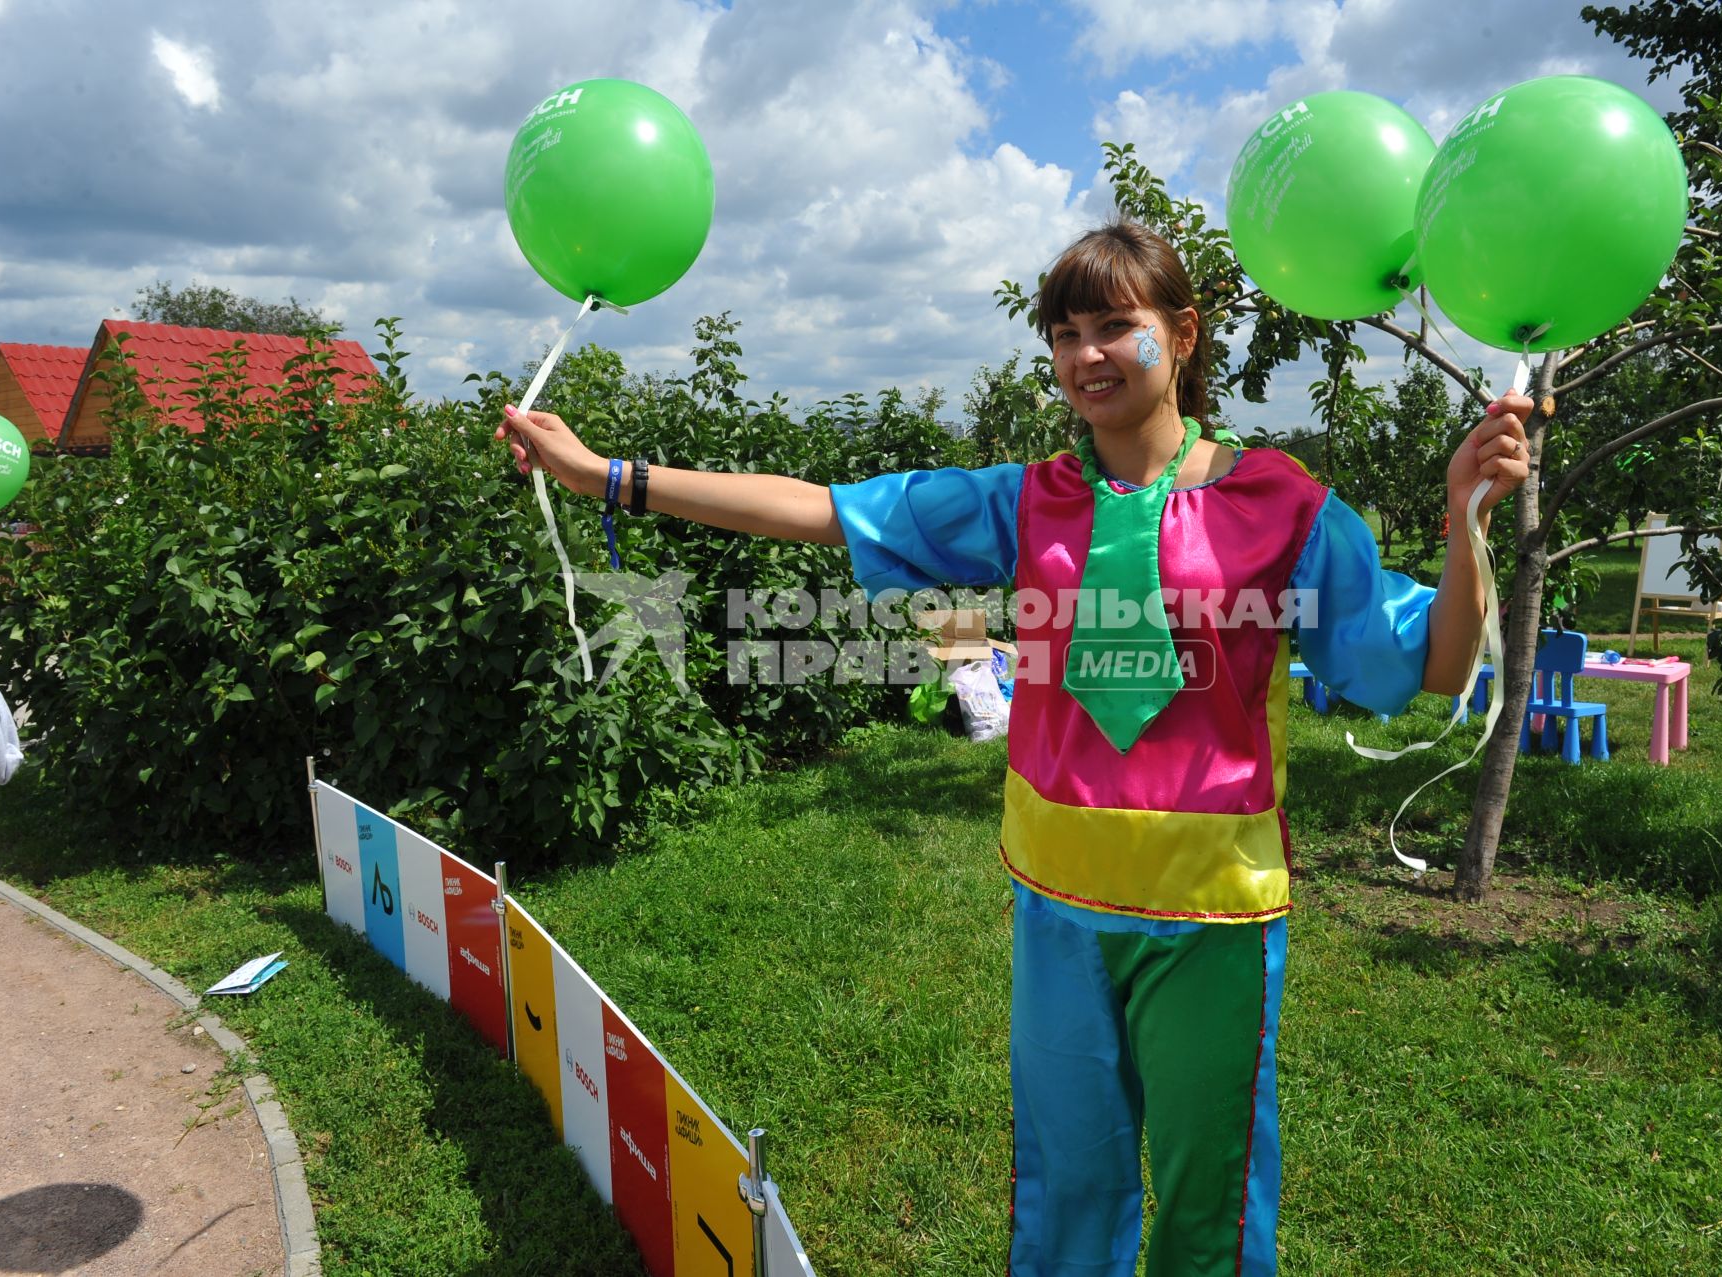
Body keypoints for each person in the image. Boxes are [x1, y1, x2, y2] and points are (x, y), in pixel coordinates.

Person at [496, 220, 1531, 1276]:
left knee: (1210, 1195)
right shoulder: (1028, 500)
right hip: (1059, 904)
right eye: (1063, 331)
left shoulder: (1281, 507)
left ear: (1182, 334)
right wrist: (606, 477)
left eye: (1114, 326)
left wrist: (1464, 515)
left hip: (1211, 913)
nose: (1085, 354)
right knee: (1066, 1185)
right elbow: (823, 512)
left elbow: (1434, 665)